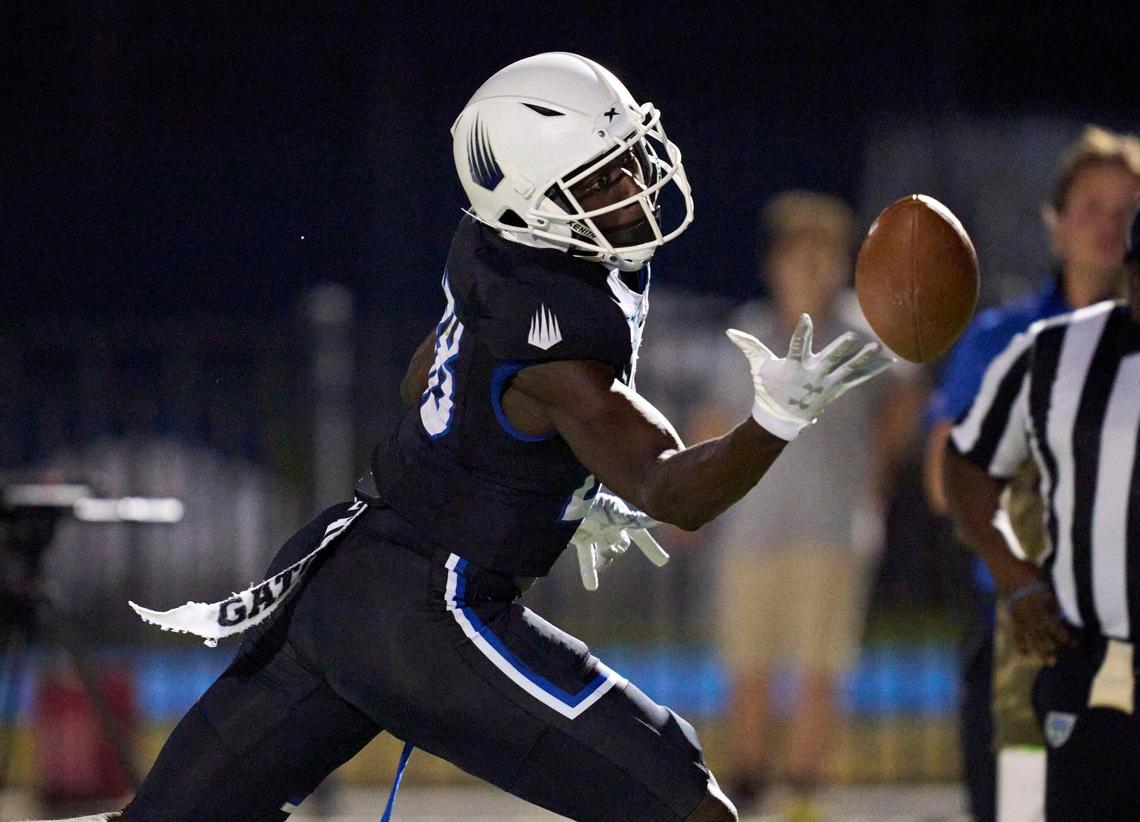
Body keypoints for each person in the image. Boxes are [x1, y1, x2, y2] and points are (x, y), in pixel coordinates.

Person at [61, 53, 893, 822]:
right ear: (539, 200)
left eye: (635, 157)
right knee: (685, 804)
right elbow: (674, 490)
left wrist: (549, 477)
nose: (639, 186)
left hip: (341, 581)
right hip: (436, 608)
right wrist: (779, 418)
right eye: (606, 176)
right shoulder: (558, 325)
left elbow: (428, 377)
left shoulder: (490, 243)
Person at [922, 124, 1140, 821]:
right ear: (1057, 221)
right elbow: (944, 475)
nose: (1109, 227)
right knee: (1019, 807)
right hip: (1030, 633)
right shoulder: (1012, 342)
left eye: (1126, 209)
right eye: (1092, 207)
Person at [687, 191, 923, 817]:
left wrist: (874, 475)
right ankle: (745, 789)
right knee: (749, 667)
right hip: (750, 527)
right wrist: (686, 501)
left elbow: (903, 405)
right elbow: (711, 424)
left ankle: (804, 796)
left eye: (825, 253)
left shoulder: (863, 337)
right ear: (774, 263)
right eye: (799, 253)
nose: (811, 266)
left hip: (834, 530)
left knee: (821, 669)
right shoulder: (749, 333)